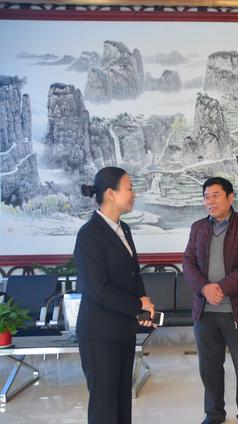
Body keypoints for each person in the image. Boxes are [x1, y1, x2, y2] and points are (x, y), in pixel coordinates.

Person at [74, 166, 155, 424]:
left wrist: (144, 306)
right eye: (129, 188)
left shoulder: (124, 229)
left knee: (122, 399)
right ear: (111, 193)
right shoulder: (89, 235)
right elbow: (98, 288)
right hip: (99, 334)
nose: (134, 194)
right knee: (104, 405)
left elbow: (133, 273)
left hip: (123, 329)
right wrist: (136, 304)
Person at [183, 177, 238, 424]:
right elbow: (188, 263)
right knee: (209, 367)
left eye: (216, 195)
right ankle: (214, 413)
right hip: (205, 312)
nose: (210, 201)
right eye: (206, 196)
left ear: (230, 197)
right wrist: (204, 288)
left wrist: (222, 288)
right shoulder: (198, 227)